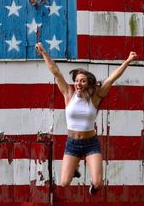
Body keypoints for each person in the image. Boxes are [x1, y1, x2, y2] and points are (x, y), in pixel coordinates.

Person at [35, 42, 137, 195]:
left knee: (98, 183)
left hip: (90, 144)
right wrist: (44, 52)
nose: (78, 83)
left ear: (88, 83)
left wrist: (127, 61)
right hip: (72, 143)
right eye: (76, 80)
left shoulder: (94, 98)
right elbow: (56, 72)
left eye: (82, 80)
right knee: (64, 183)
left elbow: (111, 79)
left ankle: (91, 183)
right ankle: (75, 169)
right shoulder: (68, 95)